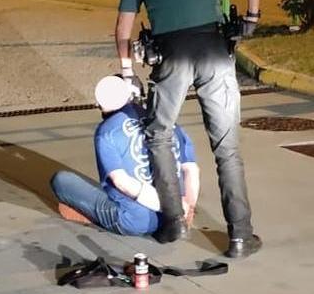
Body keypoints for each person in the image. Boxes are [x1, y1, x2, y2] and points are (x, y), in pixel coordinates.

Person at [114, 0, 263, 258]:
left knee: (159, 135)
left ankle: (173, 223)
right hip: (214, 52)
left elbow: (123, 27)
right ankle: (240, 236)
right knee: (226, 147)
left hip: (171, 56)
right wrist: (252, 16)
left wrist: (127, 71)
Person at [50, 76, 201, 236]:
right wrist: (184, 208)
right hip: (176, 212)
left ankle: (95, 215)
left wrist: (167, 207)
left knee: (61, 180)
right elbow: (192, 170)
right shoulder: (169, 123)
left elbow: (122, 182)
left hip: (137, 221)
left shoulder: (106, 131)